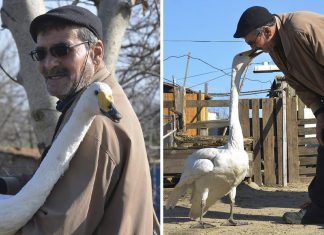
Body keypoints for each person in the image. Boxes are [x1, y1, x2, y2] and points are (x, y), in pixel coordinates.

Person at [0, 5, 153, 234]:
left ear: (96, 53)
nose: (49, 64)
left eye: (62, 50)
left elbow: (55, 229)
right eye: (41, 53)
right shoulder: (88, 102)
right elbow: (54, 182)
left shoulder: (94, 122)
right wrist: (6, 186)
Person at [234, 6, 324, 224]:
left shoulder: (300, 28)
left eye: (251, 42)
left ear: (266, 31)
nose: (252, 48)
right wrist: (319, 112)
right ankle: (320, 209)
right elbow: (298, 83)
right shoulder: (275, 48)